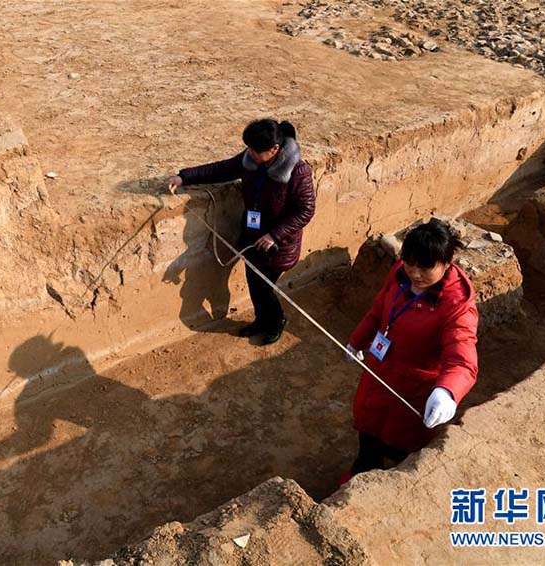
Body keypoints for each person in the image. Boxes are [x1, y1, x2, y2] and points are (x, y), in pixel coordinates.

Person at [343, 219, 478, 479]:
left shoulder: (457, 306)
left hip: (412, 390)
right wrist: (357, 341)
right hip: (378, 373)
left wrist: (448, 391)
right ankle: (362, 469)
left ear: (447, 263)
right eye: (410, 262)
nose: (415, 273)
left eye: (426, 266)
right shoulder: (399, 274)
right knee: (368, 429)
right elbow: (377, 312)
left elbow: (461, 359)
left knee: (399, 442)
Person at [167, 119, 316, 345]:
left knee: (264, 286)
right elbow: (221, 169)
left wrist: (274, 235)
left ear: (275, 149)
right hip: (252, 238)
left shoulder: (298, 171)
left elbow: (305, 210)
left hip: (278, 246)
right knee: (255, 282)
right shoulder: (252, 159)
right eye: (249, 149)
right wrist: (184, 177)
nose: (250, 154)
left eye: (256, 151)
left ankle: (276, 321)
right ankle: (261, 321)